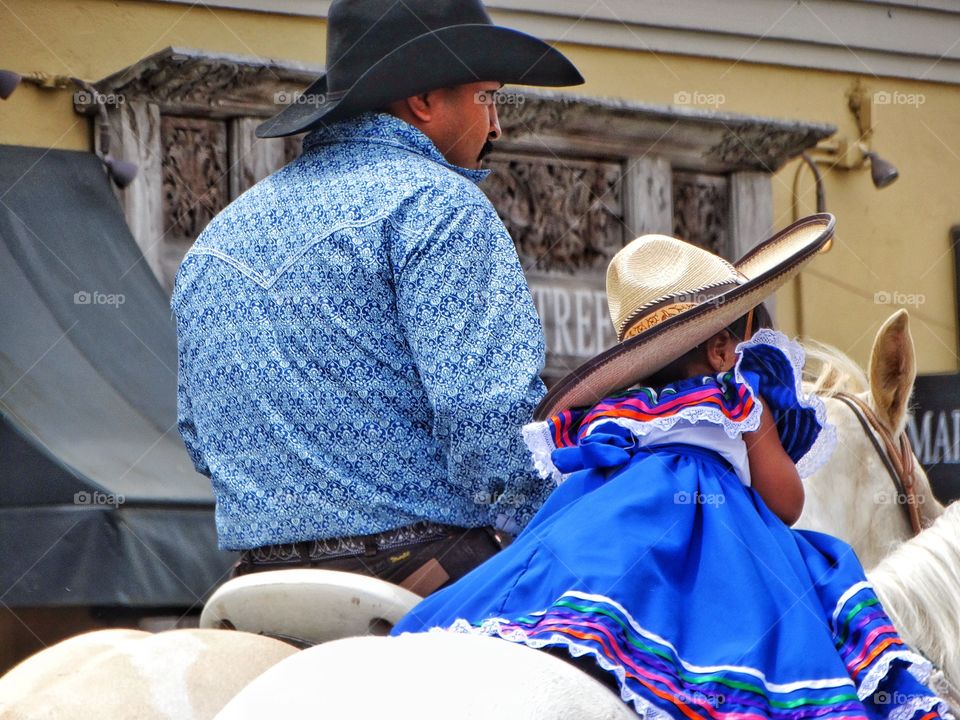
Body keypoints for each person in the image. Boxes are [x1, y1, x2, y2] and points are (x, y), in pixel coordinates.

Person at [392, 215, 953, 720]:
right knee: (795, 607)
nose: (742, 348)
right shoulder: (741, 404)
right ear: (717, 352)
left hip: (609, 528)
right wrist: (760, 434)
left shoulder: (624, 417)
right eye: (736, 335)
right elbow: (786, 502)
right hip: (724, 541)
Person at [171, 0, 584, 592]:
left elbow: (199, 439)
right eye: (488, 97)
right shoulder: (438, 205)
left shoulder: (218, 236)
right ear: (423, 101)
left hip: (255, 583)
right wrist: (568, 509)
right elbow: (486, 423)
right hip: (423, 572)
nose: (498, 126)